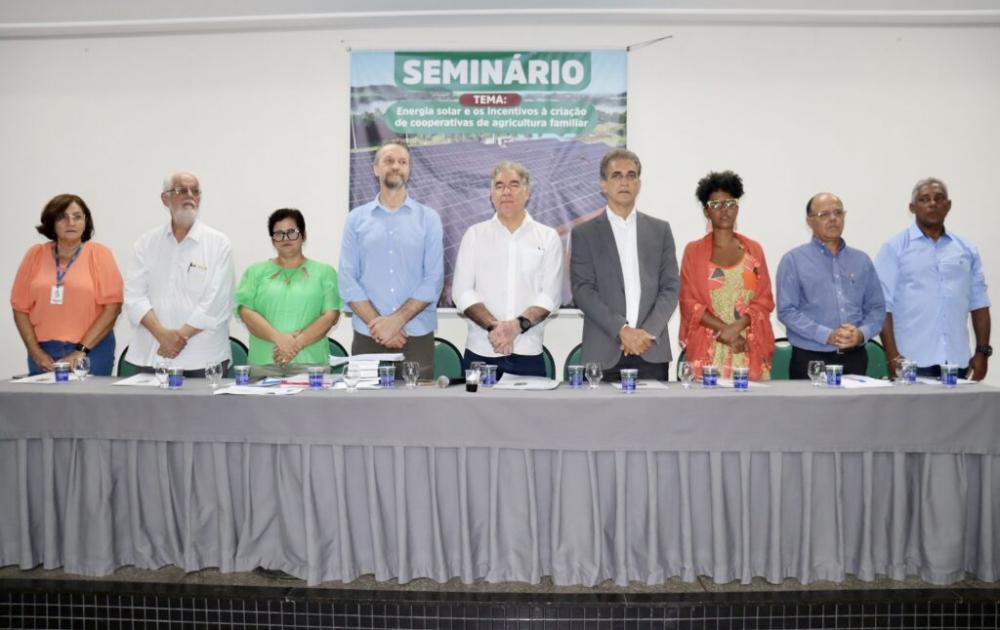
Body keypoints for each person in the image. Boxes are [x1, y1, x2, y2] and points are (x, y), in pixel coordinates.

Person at [339, 140, 444, 379]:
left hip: (416, 336)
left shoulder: (429, 219)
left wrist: (396, 321)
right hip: (368, 335)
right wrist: (380, 325)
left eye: (402, 162)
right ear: (375, 169)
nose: (396, 166)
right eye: (388, 161)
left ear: (409, 169)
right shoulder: (356, 219)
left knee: (416, 413)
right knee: (364, 412)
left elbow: (434, 280)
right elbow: (347, 280)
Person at [571, 149, 679, 381]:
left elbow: (670, 288)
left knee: (654, 418)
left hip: (651, 350)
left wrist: (644, 335)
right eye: (616, 175)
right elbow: (583, 291)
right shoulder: (584, 233)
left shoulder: (660, 230)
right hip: (604, 352)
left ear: (638, 184)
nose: (624, 182)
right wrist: (623, 331)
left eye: (631, 175)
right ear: (603, 184)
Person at [452, 162, 562, 379]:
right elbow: (462, 292)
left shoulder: (548, 237)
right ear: (491, 194)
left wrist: (516, 327)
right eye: (499, 186)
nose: (506, 192)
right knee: (473, 414)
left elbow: (551, 296)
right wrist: (494, 328)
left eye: (514, 185)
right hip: (481, 351)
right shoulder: (474, 235)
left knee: (529, 415)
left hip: (528, 351)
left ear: (527, 192)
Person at [875, 177, 990, 380]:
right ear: (912, 207)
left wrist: (982, 352)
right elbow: (883, 306)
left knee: (960, 413)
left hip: (957, 361)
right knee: (913, 414)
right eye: (924, 199)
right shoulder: (894, 248)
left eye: (939, 198)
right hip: (911, 362)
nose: (932, 204)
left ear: (948, 205)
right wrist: (892, 356)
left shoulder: (966, 249)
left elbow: (979, 302)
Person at [123, 171, 235, 375]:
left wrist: (177, 338)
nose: (190, 196)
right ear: (165, 198)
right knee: (150, 409)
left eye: (195, 191)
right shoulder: (146, 243)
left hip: (203, 357)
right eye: (182, 190)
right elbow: (134, 297)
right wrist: (163, 336)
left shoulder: (219, 244)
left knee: (204, 409)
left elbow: (217, 302)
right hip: (154, 353)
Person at [776, 193, 885, 378]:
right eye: (824, 214)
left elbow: (877, 308)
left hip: (855, 357)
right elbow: (787, 311)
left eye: (838, 213)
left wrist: (860, 334)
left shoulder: (861, 260)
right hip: (811, 359)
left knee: (856, 408)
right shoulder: (793, 260)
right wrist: (826, 335)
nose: (833, 219)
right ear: (809, 221)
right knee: (812, 409)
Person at [11, 194, 123, 375]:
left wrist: (81, 350)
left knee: (87, 403)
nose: (71, 222)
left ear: (85, 222)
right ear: (51, 222)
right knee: (43, 404)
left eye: (77, 217)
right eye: (63, 217)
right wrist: (35, 351)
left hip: (92, 352)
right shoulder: (35, 255)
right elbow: (19, 308)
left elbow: (113, 308)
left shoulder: (99, 254)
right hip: (43, 352)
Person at [679, 170, 774, 380]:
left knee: (750, 413)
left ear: (737, 207)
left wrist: (737, 328)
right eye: (716, 205)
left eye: (730, 203)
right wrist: (726, 332)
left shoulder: (754, 251)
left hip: (747, 347)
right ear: (706, 211)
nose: (725, 210)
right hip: (708, 349)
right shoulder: (693, 252)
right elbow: (688, 302)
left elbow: (764, 300)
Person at [235, 209, 342, 375]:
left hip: (311, 364)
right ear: (273, 240)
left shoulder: (325, 272)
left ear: (304, 236)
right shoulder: (255, 272)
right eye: (279, 234)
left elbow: (330, 316)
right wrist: (280, 340)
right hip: (264, 363)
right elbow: (245, 312)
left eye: (292, 232)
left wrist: (295, 344)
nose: (285, 238)